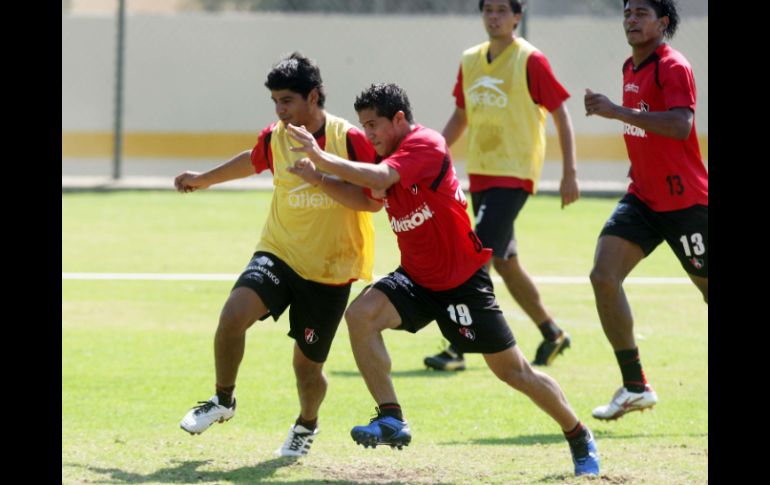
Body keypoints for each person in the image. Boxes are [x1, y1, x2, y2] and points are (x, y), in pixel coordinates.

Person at [286, 83, 599, 476]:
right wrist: (318, 178)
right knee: (360, 316)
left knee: (514, 372)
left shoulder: (425, 145)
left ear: (399, 119)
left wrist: (322, 158)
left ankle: (577, 434)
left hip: (462, 283)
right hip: (416, 279)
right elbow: (367, 198)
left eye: (374, 125)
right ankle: (391, 417)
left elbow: (380, 175)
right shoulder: (389, 155)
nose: (369, 135)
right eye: (363, 127)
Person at [174, 52, 380, 456]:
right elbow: (251, 161)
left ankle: (307, 424)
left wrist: (320, 177)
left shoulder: (349, 139)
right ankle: (223, 399)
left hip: (329, 270)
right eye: (275, 102)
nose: (280, 110)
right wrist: (204, 180)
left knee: (306, 370)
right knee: (233, 315)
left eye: (287, 100)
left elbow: (373, 201)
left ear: (314, 96)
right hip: (279, 252)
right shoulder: (275, 136)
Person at [424, 0, 578, 372]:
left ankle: (458, 344)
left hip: (515, 173)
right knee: (505, 262)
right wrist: (432, 157)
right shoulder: (471, 60)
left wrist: (569, 171)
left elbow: (559, 110)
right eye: (487, 9)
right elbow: (461, 114)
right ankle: (552, 332)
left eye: (501, 10)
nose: (493, 17)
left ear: (516, 18)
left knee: (474, 255)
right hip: (481, 172)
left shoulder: (530, 59)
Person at [584, 0, 707, 420]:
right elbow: (643, 128)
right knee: (603, 275)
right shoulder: (630, 67)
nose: (631, 20)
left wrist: (616, 111)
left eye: (641, 13)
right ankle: (635, 386)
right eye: (627, 13)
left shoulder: (672, 66)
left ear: (663, 22)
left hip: (687, 203)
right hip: (644, 198)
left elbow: (680, 125)